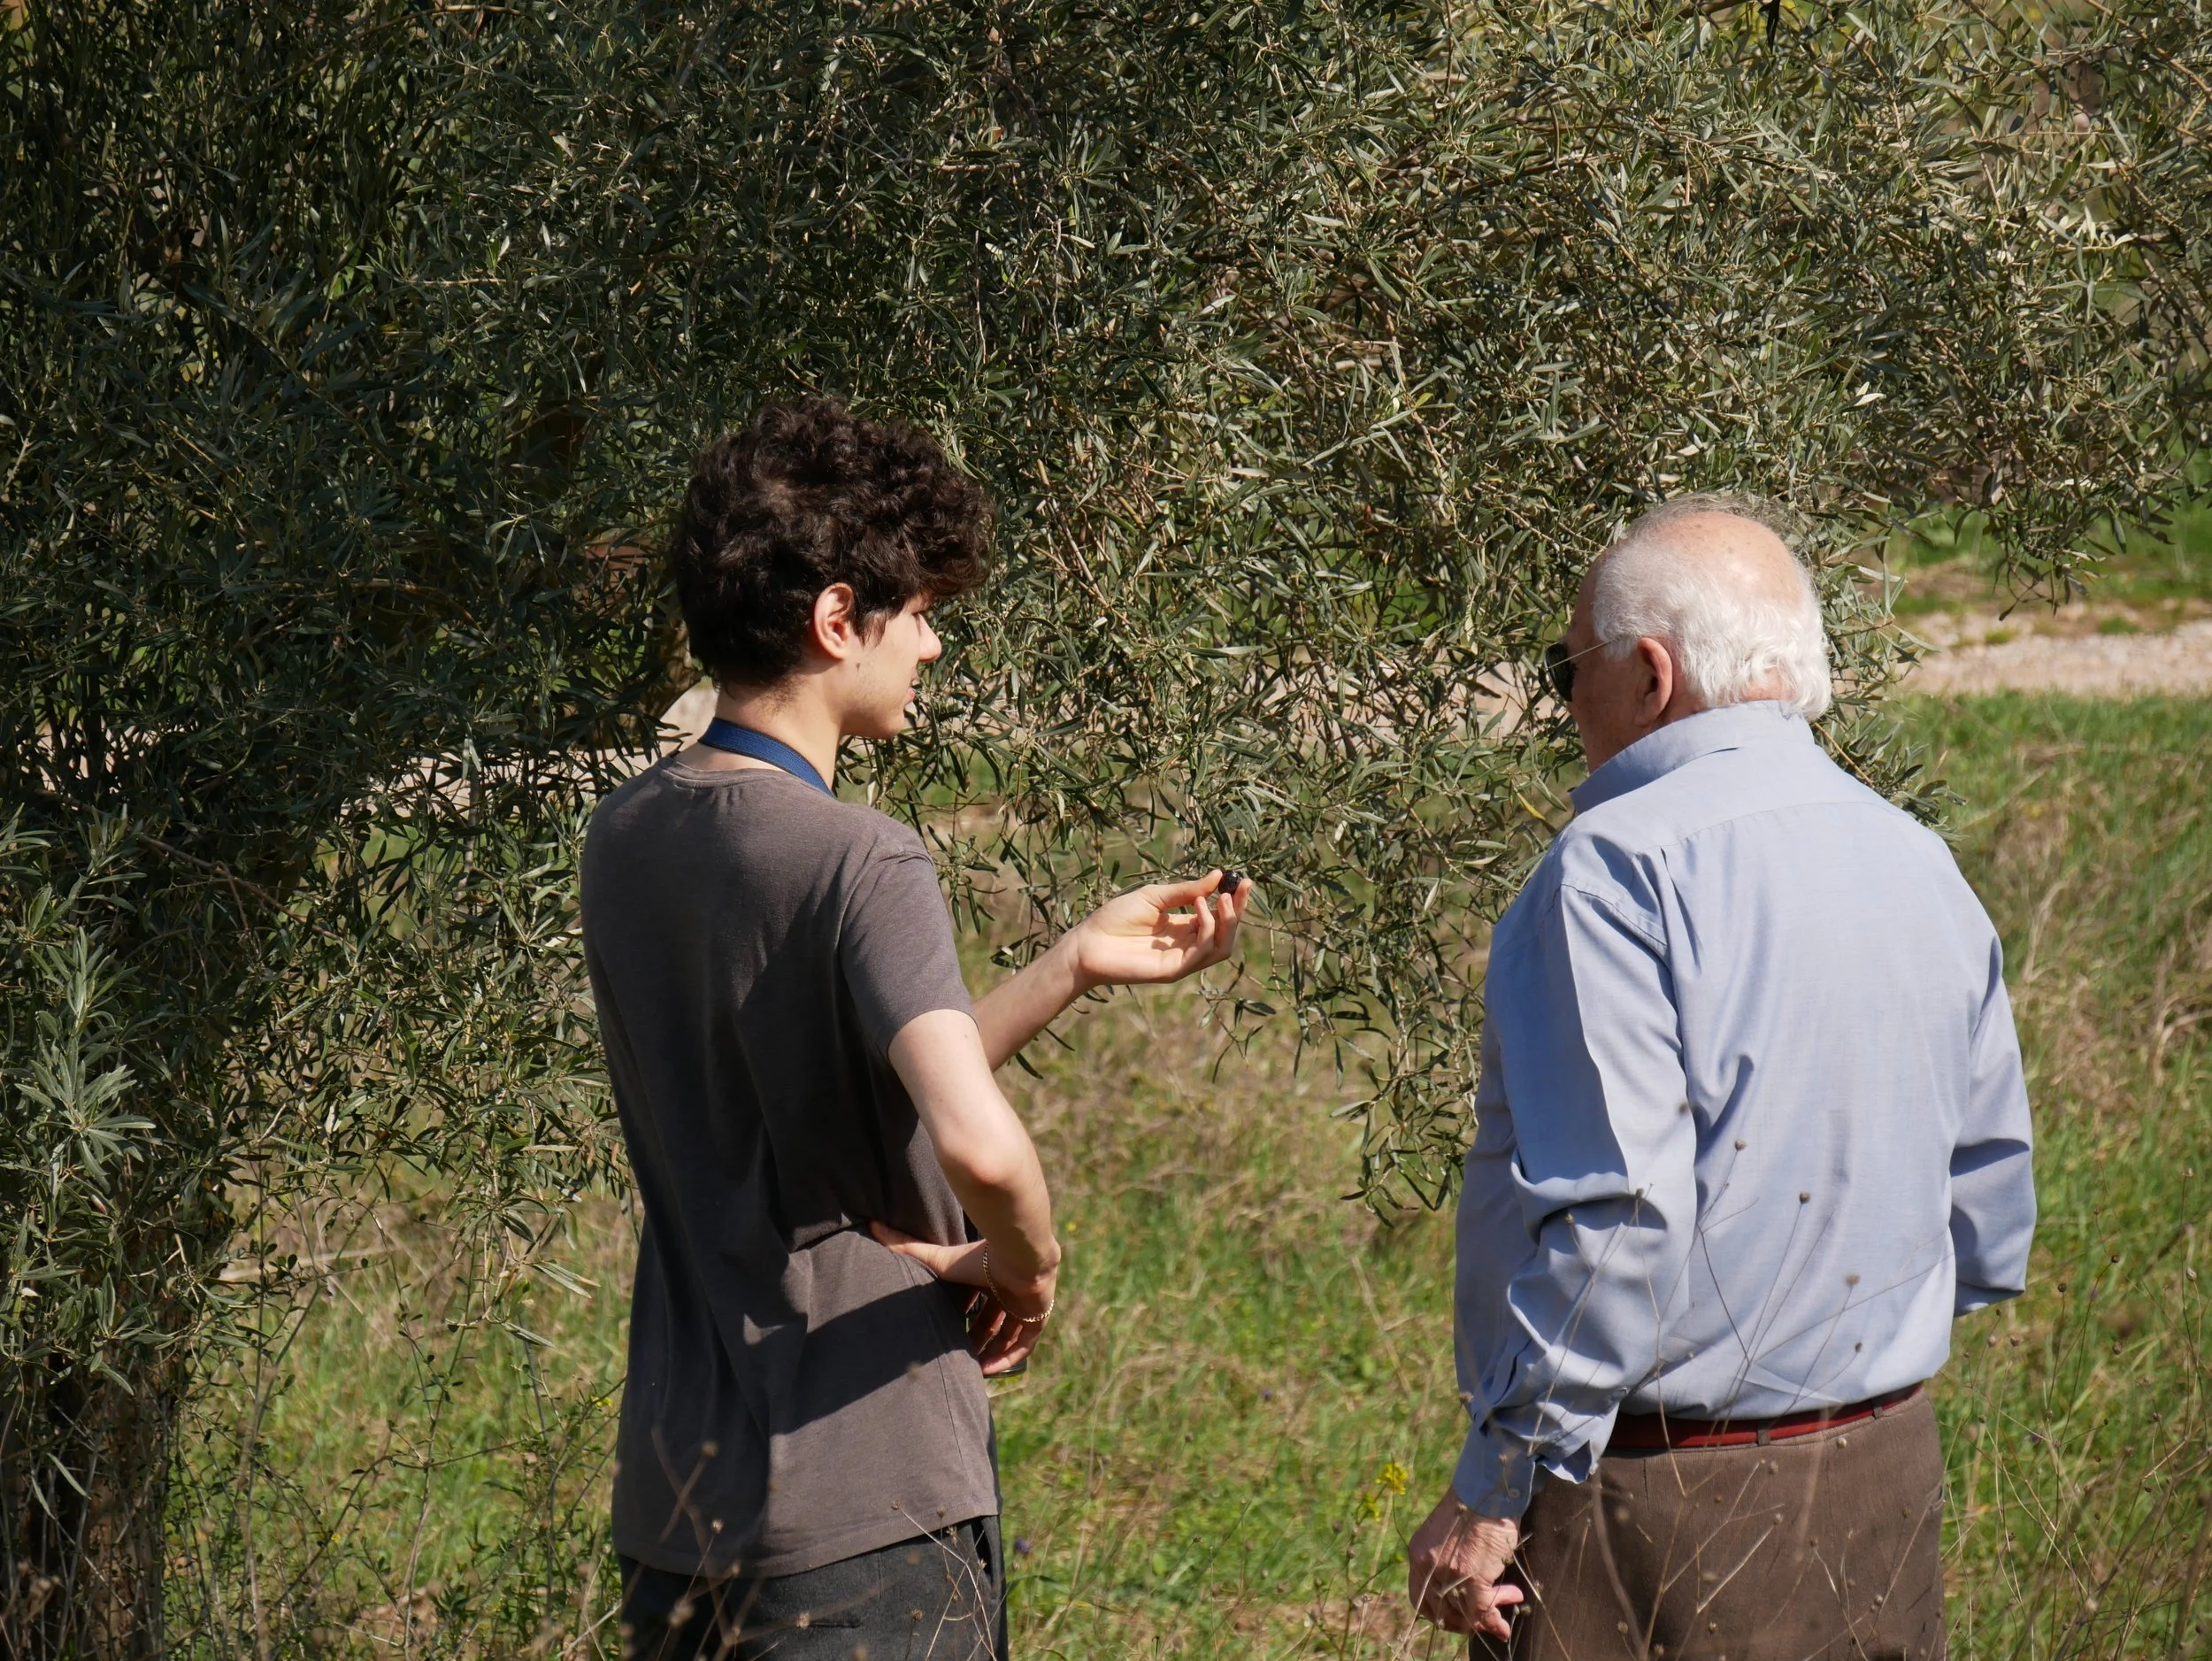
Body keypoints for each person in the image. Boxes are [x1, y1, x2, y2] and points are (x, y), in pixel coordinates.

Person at [581, 396, 1250, 1660]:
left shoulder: (627, 835)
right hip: (861, 1507)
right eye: (920, 613)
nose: (933, 647)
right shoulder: (861, 859)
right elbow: (980, 1150)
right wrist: (1023, 1269)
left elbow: (833, 1095)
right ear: (840, 620)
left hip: (678, 1509)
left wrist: (1069, 966)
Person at [1406, 496, 2035, 1658]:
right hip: (1885, 1474)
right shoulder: (1917, 856)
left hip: (1661, 1500)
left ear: (1648, 673)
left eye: (1566, 668)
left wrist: (1497, 1484)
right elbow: (1988, 1193)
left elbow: (1620, 1218)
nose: (1567, 704)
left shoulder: (1610, 872)